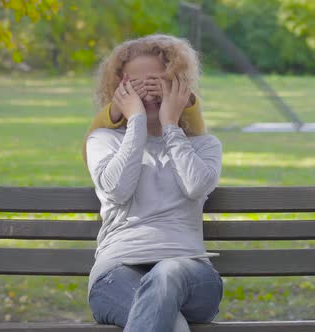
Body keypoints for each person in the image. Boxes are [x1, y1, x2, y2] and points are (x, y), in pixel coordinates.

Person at [84, 34, 223, 331]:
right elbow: (118, 189)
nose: (147, 92)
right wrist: (135, 122)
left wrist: (171, 124)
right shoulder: (102, 140)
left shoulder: (204, 146)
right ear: (119, 87)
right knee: (170, 323)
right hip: (116, 273)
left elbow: (195, 185)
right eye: (135, 83)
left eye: (158, 81)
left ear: (179, 86)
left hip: (190, 272)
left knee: (167, 273)